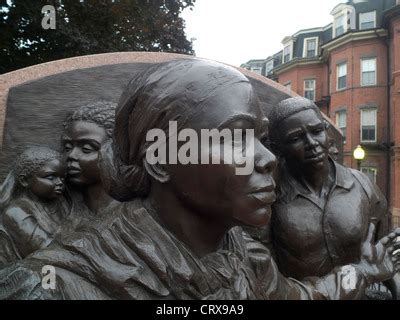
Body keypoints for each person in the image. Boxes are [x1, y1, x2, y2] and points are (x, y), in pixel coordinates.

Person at [0, 59, 399, 300]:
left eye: (259, 139)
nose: (267, 160)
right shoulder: (48, 286)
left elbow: (305, 296)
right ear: (160, 161)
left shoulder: (246, 257)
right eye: (232, 138)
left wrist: (363, 273)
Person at [267, 96, 397, 298]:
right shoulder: (266, 197)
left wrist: (391, 283)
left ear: (327, 131)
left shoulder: (363, 185)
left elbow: (382, 253)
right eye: (295, 138)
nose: (311, 143)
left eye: (317, 131)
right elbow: (266, 279)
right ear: (277, 148)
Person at [0, 146, 70, 265]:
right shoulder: (16, 213)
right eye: (51, 177)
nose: (59, 183)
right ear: (25, 180)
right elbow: (46, 249)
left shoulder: (61, 204)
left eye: (62, 178)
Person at [62, 101, 118, 216]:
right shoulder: (60, 212)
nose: (71, 155)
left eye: (87, 148)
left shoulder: (136, 218)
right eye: (67, 148)